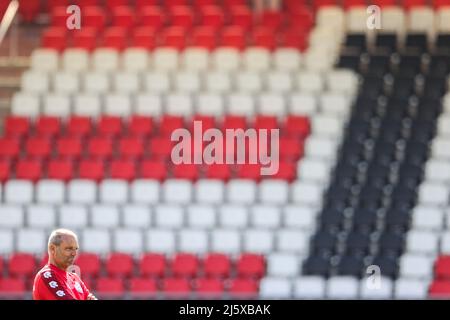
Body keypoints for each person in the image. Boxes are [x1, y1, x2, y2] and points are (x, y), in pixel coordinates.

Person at [32, 228, 97, 300]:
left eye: (76, 249)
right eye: (69, 249)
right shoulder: (47, 276)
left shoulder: (74, 277)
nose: (74, 253)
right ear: (52, 248)